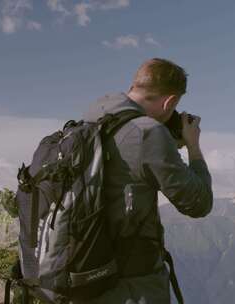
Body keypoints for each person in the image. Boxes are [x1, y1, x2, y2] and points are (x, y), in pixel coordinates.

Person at [80, 58, 213, 303]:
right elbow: (199, 203)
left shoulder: (92, 121)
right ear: (170, 101)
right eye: (174, 108)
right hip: (129, 286)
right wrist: (193, 146)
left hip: (85, 274)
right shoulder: (149, 133)